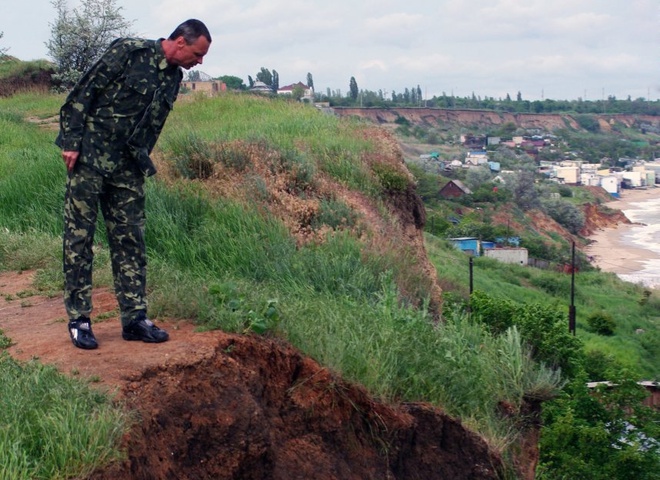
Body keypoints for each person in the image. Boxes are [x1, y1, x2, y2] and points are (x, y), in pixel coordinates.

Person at [56, 19, 211, 349]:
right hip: (91, 159)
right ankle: (79, 320)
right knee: (79, 238)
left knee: (131, 239)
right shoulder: (129, 52)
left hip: (127, 168)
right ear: (181, 42)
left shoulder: (174, 78)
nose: (199, 62)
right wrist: (71, 141)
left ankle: (135, 319)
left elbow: (150, 126)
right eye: (198, 54)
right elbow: (85, 91)